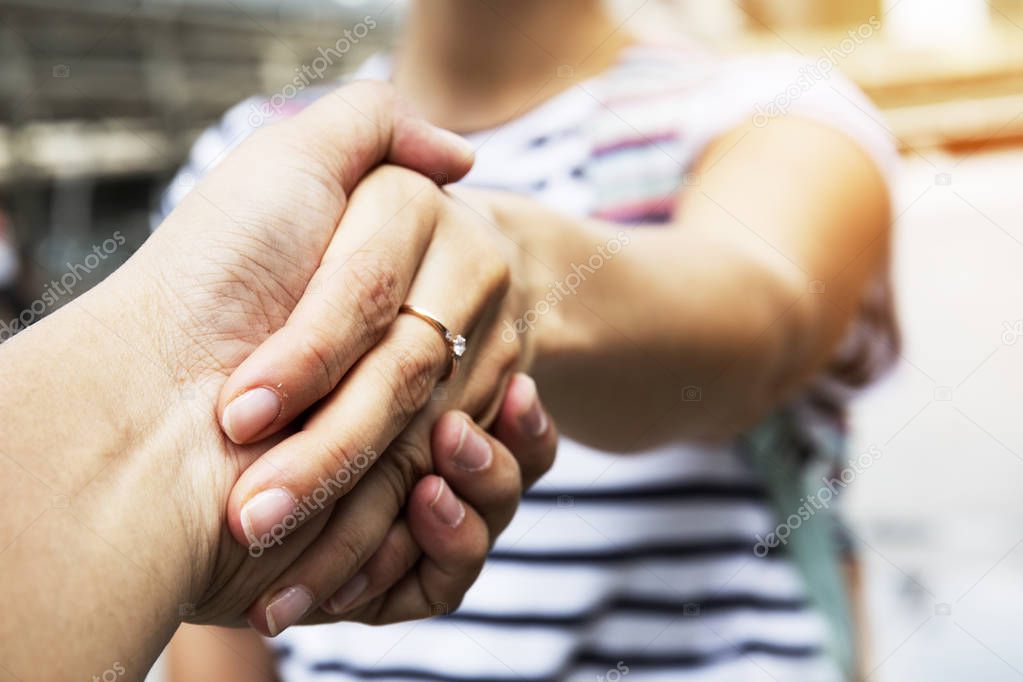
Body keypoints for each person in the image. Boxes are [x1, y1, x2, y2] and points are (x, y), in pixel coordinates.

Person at [160, 1, 897, 680]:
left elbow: (759, 324)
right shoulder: (246, 153)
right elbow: (204, 595)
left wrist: (518, 272)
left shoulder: (774, 112)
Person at [0, 83, 558, 681]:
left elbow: (670, 307)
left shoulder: (668, 101)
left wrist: (512, 257)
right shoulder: (246, 132)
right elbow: (209, 640)